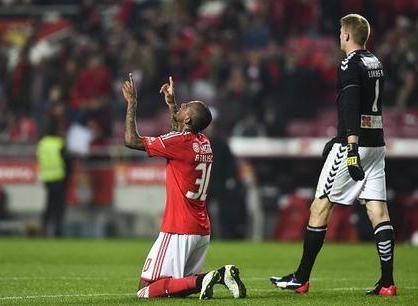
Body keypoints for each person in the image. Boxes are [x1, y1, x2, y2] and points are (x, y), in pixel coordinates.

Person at [270, 14, 397, 296]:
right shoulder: (375, 61)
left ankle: (300, 278)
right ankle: (387, 282)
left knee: (320, 205)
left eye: (341, 31)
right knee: (378, 210)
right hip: (377, 144)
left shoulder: (349, 64)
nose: (339, 36)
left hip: (354, 145)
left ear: (349, 35)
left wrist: (350, 146)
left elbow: (350, 105)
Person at [121, 73, 246, 300]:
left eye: (186, 106)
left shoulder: (180, 143)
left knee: (145, 289)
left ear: (188, 120)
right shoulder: (204, 143)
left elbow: (131, 140)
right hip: (201, 230)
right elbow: (178, 134)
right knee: (179, 286)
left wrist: (132, 103)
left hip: (178, 228)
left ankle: (207, 277)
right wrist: (172, 105)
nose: (183, 104)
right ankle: (221, 275)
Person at [36, 119, 71, 237]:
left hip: (47, 178)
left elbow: (39, 159)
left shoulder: (42, 143)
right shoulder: (59, 143)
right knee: (58, 206)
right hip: (59, 177)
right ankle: (57, 231)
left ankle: (44, 229)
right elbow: (67, 161)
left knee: (49, 205)